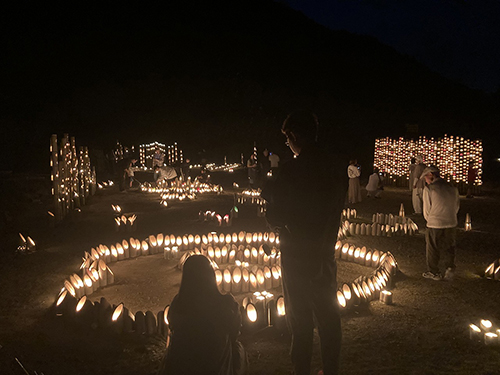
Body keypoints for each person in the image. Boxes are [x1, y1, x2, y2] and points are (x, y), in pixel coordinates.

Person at [262, 110, 346, 375]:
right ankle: (331, 368)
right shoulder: (335, 169)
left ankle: (302, 370)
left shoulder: (291, 172)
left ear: (295, 136)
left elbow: (276, 216)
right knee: (328, 315)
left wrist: (270, 207)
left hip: (297, 254)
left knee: (299, 318)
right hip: (324, 253)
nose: (288, 145)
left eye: (288, 139)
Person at [158, 255, 247, 375]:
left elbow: (172, 327)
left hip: (182, 366)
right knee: (238, 348)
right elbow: (234, 334)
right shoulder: (226, 303)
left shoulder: (178, 305)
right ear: (211, 275)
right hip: (216, 367)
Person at [421, 166, 460, 281]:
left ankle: (434, 272)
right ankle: (449, 268)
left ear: (431, 175)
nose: (426, 181)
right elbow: (456, 206)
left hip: (435, 222)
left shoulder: (430, 189)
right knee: (449, 246)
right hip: (451, 221)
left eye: (426, 178)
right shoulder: (452, 188)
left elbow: (427, 210)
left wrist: (431, 220)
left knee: (432, 247)